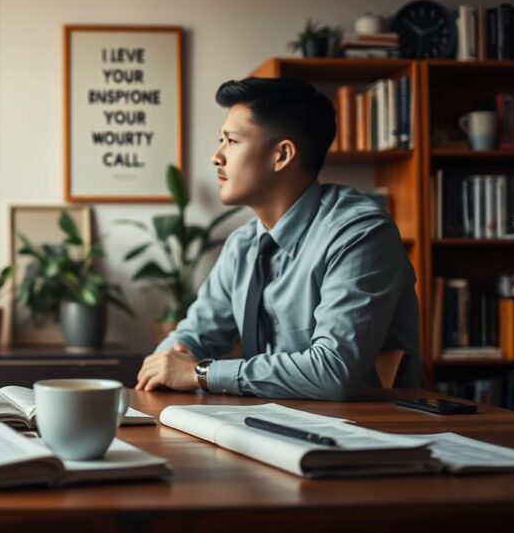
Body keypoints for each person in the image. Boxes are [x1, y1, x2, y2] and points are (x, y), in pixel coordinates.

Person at [135, 77, 419, 401]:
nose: (217, 156)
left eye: (232, 141)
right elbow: (193, 336)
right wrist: (163, 366)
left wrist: (201, 373)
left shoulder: (359, 235)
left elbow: (332, 371)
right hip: (270, 426)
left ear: (281, 155)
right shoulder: (243, 245)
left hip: (369, 435)